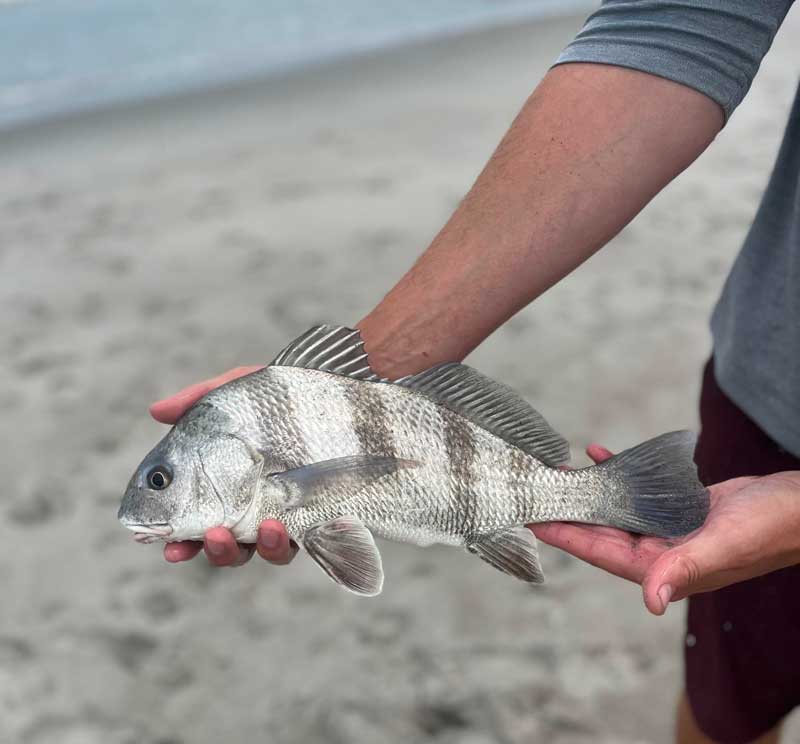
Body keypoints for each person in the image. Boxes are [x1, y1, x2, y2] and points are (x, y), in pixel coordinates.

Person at [148, 2, 800, 742]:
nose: (155, 489)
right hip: (775, 386)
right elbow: (682, 25)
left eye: (164, 479)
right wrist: (376, 361)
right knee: (729, 712)